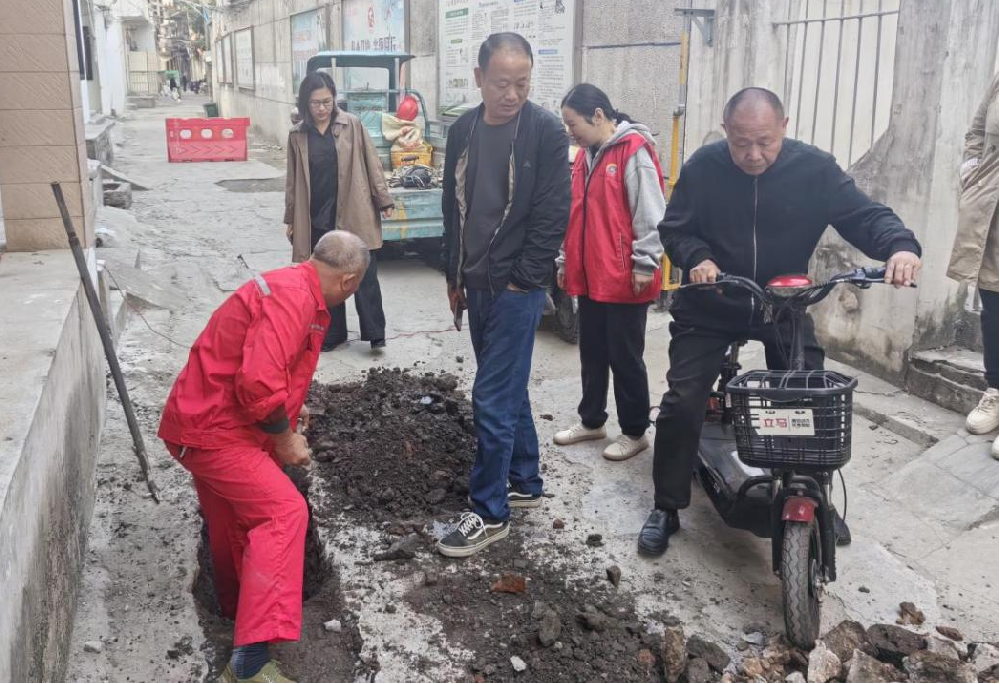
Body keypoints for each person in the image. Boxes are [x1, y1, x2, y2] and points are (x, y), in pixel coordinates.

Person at [639, 87, 923, 557]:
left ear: (784, 128)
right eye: (741, 143)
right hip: (712, 305)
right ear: (726, 132)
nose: (753, 154)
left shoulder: (814, 169)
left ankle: (810, 492)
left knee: (809, 397)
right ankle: (666, 505)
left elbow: (864, 215)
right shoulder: (704, 168)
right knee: (683, 400)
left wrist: (900, 246)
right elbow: (676, 229)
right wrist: (699, 258)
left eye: (765, 142)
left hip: (783, 306)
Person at [158, 231, 368, 683]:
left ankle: (235, 616)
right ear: (349, 281)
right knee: (283, 513)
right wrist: (285, 439)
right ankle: (249, 664)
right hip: (216, 431)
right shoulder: (295, 299)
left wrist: (292, 404)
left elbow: (265, 362)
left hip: (201, 420)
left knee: (234, 522)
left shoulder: (294, 285)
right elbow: (257, 383)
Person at [436, 32, 571, 557]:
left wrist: (524, 280)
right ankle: (525, 480)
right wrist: (453, 274)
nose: (511, 94)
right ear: (479, 79)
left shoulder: (544, 131)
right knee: (508, 385)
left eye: (521, 83)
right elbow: (453, 208)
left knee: (490, 395)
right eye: (500, 83)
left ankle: (490, 511)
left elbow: (553, 213)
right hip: (476, 280)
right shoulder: (463, 130)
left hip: (518, 286)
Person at [554, 83, 665, 461]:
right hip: (591, 275)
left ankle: (634, 431)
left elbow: (651, 213)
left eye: (573, 123)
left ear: (598, 115)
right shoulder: (585, 156)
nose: (570, 131)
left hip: (625, 276)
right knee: (592, 353)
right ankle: (592, 421)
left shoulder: (634, 151)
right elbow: (574, 215)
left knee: (625, 356)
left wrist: (645, 262)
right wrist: (565, 261)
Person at [284, 71, 394, 352]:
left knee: (364, 274)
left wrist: (383, 200)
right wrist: (291, 218)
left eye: (327, 102)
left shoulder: (351, 124)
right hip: (317, 214)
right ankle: (333, 334)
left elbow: (372, 162)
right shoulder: (298, 135)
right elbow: (292, 180)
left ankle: (375, 333)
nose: (322, 108)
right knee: (326, 278)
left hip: (353, 209)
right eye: (315, 103)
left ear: (334, 100)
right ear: (305, 104)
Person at [948, 74, 999, 460]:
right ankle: (996, 390)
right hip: (992, 204)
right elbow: (978, 130)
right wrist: (972, 169)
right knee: (994, 306)